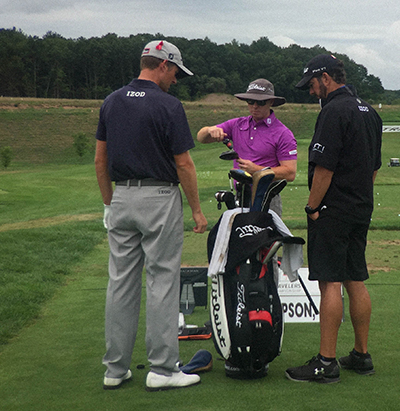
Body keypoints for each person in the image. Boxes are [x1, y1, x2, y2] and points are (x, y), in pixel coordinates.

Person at [95, 40, 208, 392]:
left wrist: (109, 203)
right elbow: (184, 164)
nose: (176, 79)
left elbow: (100, 160)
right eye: (175, 72)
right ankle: (162, 368)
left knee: (121, 283)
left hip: (122, 197)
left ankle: (115, 369)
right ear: (162, 65)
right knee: (162, 280)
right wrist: (196, 208)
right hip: (159, 197)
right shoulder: (169, 106)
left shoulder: (111, 101)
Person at [285, 54, 382, 383]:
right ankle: (361, 354)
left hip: (333, 209)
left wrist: (312, 207)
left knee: (330, 281)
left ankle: (326, 362)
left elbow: (324, 168)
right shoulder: (370, 112)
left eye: (312, 85)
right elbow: (373, 168)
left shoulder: (333, 111)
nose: (311, 92)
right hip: (360, 207)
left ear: (325, 78)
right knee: (355, 276)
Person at [196, 78, 297, 214]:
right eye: (250, 101)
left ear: (270, 102)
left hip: (267, 197)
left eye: (260, 102)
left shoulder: (282, 133)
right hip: (240, 197)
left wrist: (257, 170)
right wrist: (209, 130)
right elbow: (201, 138)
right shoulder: (237, 124)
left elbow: (290, 173)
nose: (255, 106)